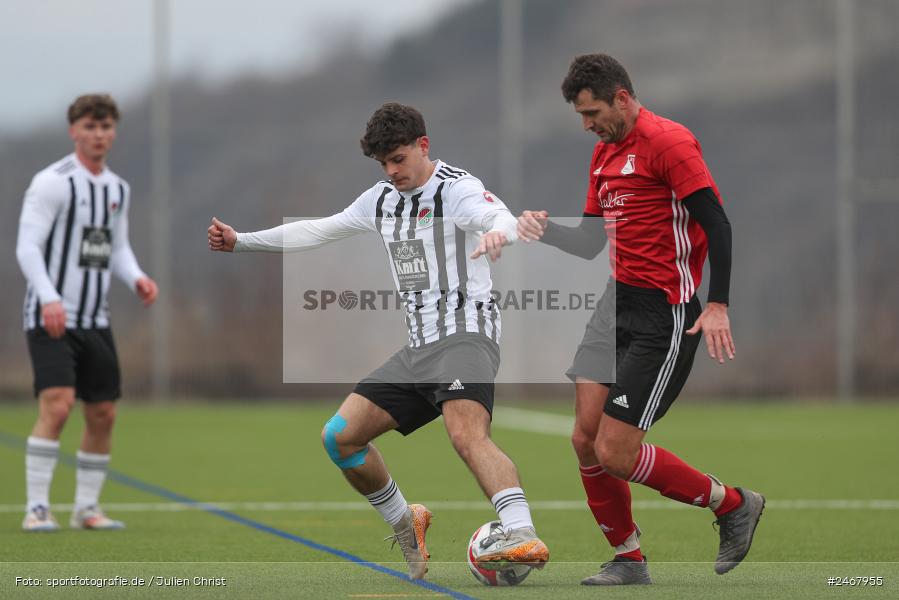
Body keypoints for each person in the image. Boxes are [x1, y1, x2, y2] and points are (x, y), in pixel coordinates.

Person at [207, 102, 549, 580]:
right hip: (420, 348)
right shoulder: (380, 199)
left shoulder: (456, 188)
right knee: (340, 438)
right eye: (384, 163)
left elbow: (495, 216)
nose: (392, 171)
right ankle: (406, 522)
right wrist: (242, 241)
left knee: (465, 434)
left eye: (399, 159)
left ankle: (521, 531)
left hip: (466, 334)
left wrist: (504, 233)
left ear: (423, 146)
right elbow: (318, 229)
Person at [515, 54, 764, 585]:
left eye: (593, 112)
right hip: (614, 306)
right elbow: (588, 241)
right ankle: (628, 559)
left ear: (623, 98)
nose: (587, 125)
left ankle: (733, 504)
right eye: (581, 116)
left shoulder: (668, 141)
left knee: (615, 451)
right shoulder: (603, 154)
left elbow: (716, 222)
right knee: (584, 439)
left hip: (664, 313)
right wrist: (544, 229)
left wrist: (717, 303)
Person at [16, 94, 159, 532]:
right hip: (51, 317)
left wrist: (136, 276)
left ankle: (87, 508)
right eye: (90, 127)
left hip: (96, 318)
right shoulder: (53, 182)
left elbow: (115, 249)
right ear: (74, 130)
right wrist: (48, 296)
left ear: (113, 132)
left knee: (103, 413)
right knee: (58, 407)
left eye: (106, 127)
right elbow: (27, 247)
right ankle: (37, 508)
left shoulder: (116, 188)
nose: (99, 135)